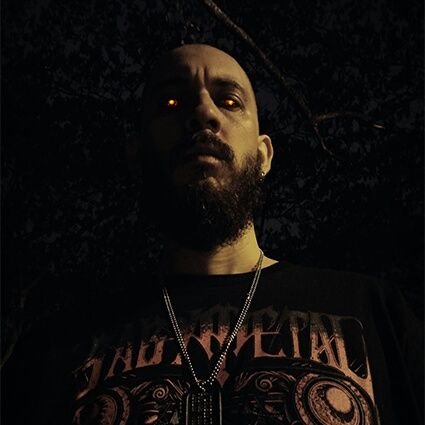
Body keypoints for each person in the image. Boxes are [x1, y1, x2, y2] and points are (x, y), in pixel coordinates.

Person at [3, 44, 423, 425]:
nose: (203, 113)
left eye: (229, 101)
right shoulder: (55, 349)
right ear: (137, 155)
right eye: (171, 102)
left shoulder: (376, 314)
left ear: (263, 155)